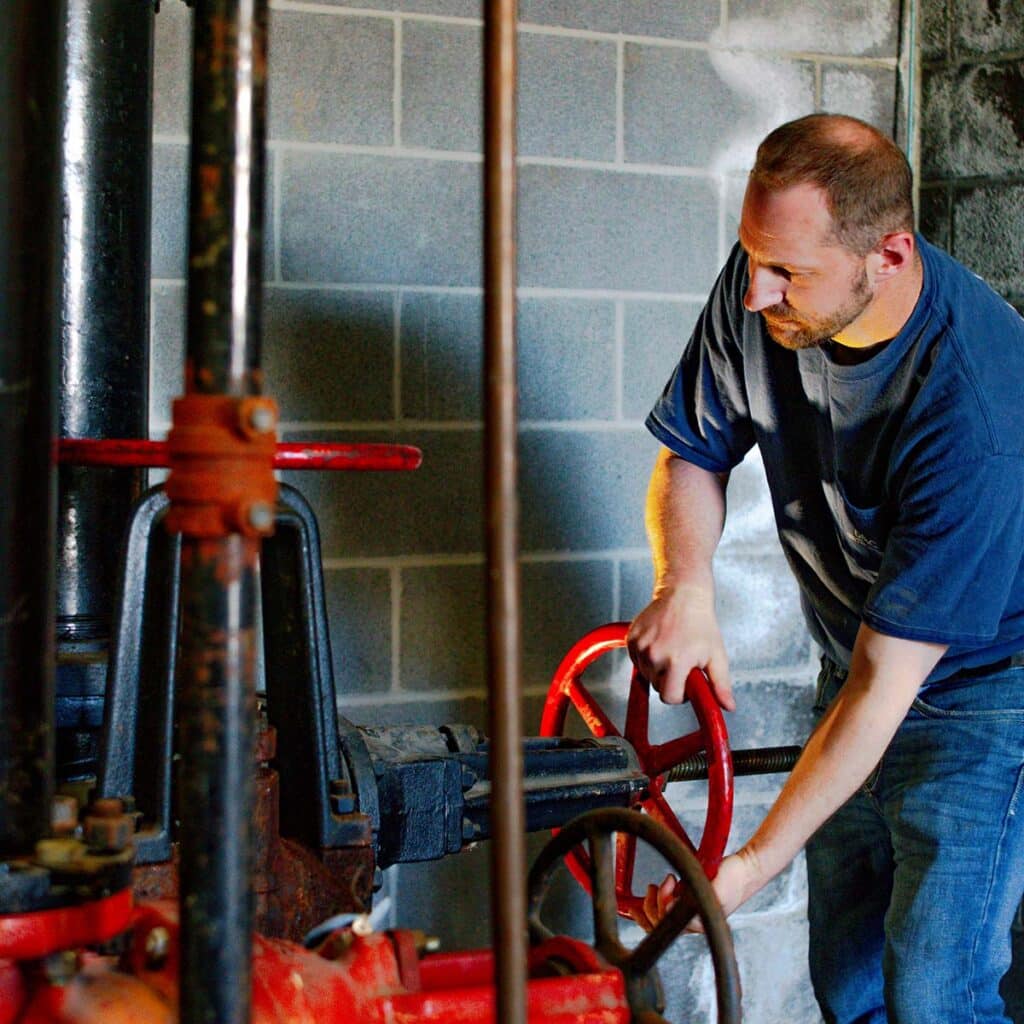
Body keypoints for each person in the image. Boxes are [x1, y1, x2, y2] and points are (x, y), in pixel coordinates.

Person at [626, 112, 1024, 1024]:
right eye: (751, 257)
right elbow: (693, 447)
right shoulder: (766, 279)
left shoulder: (975, 410)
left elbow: (890, 686)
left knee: (935, 996)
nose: (756, 293)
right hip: (854, 663)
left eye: (787, 273)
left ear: (888, 256)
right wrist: (683, 586)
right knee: (848, 983)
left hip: (982, 695)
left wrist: (750, 870)